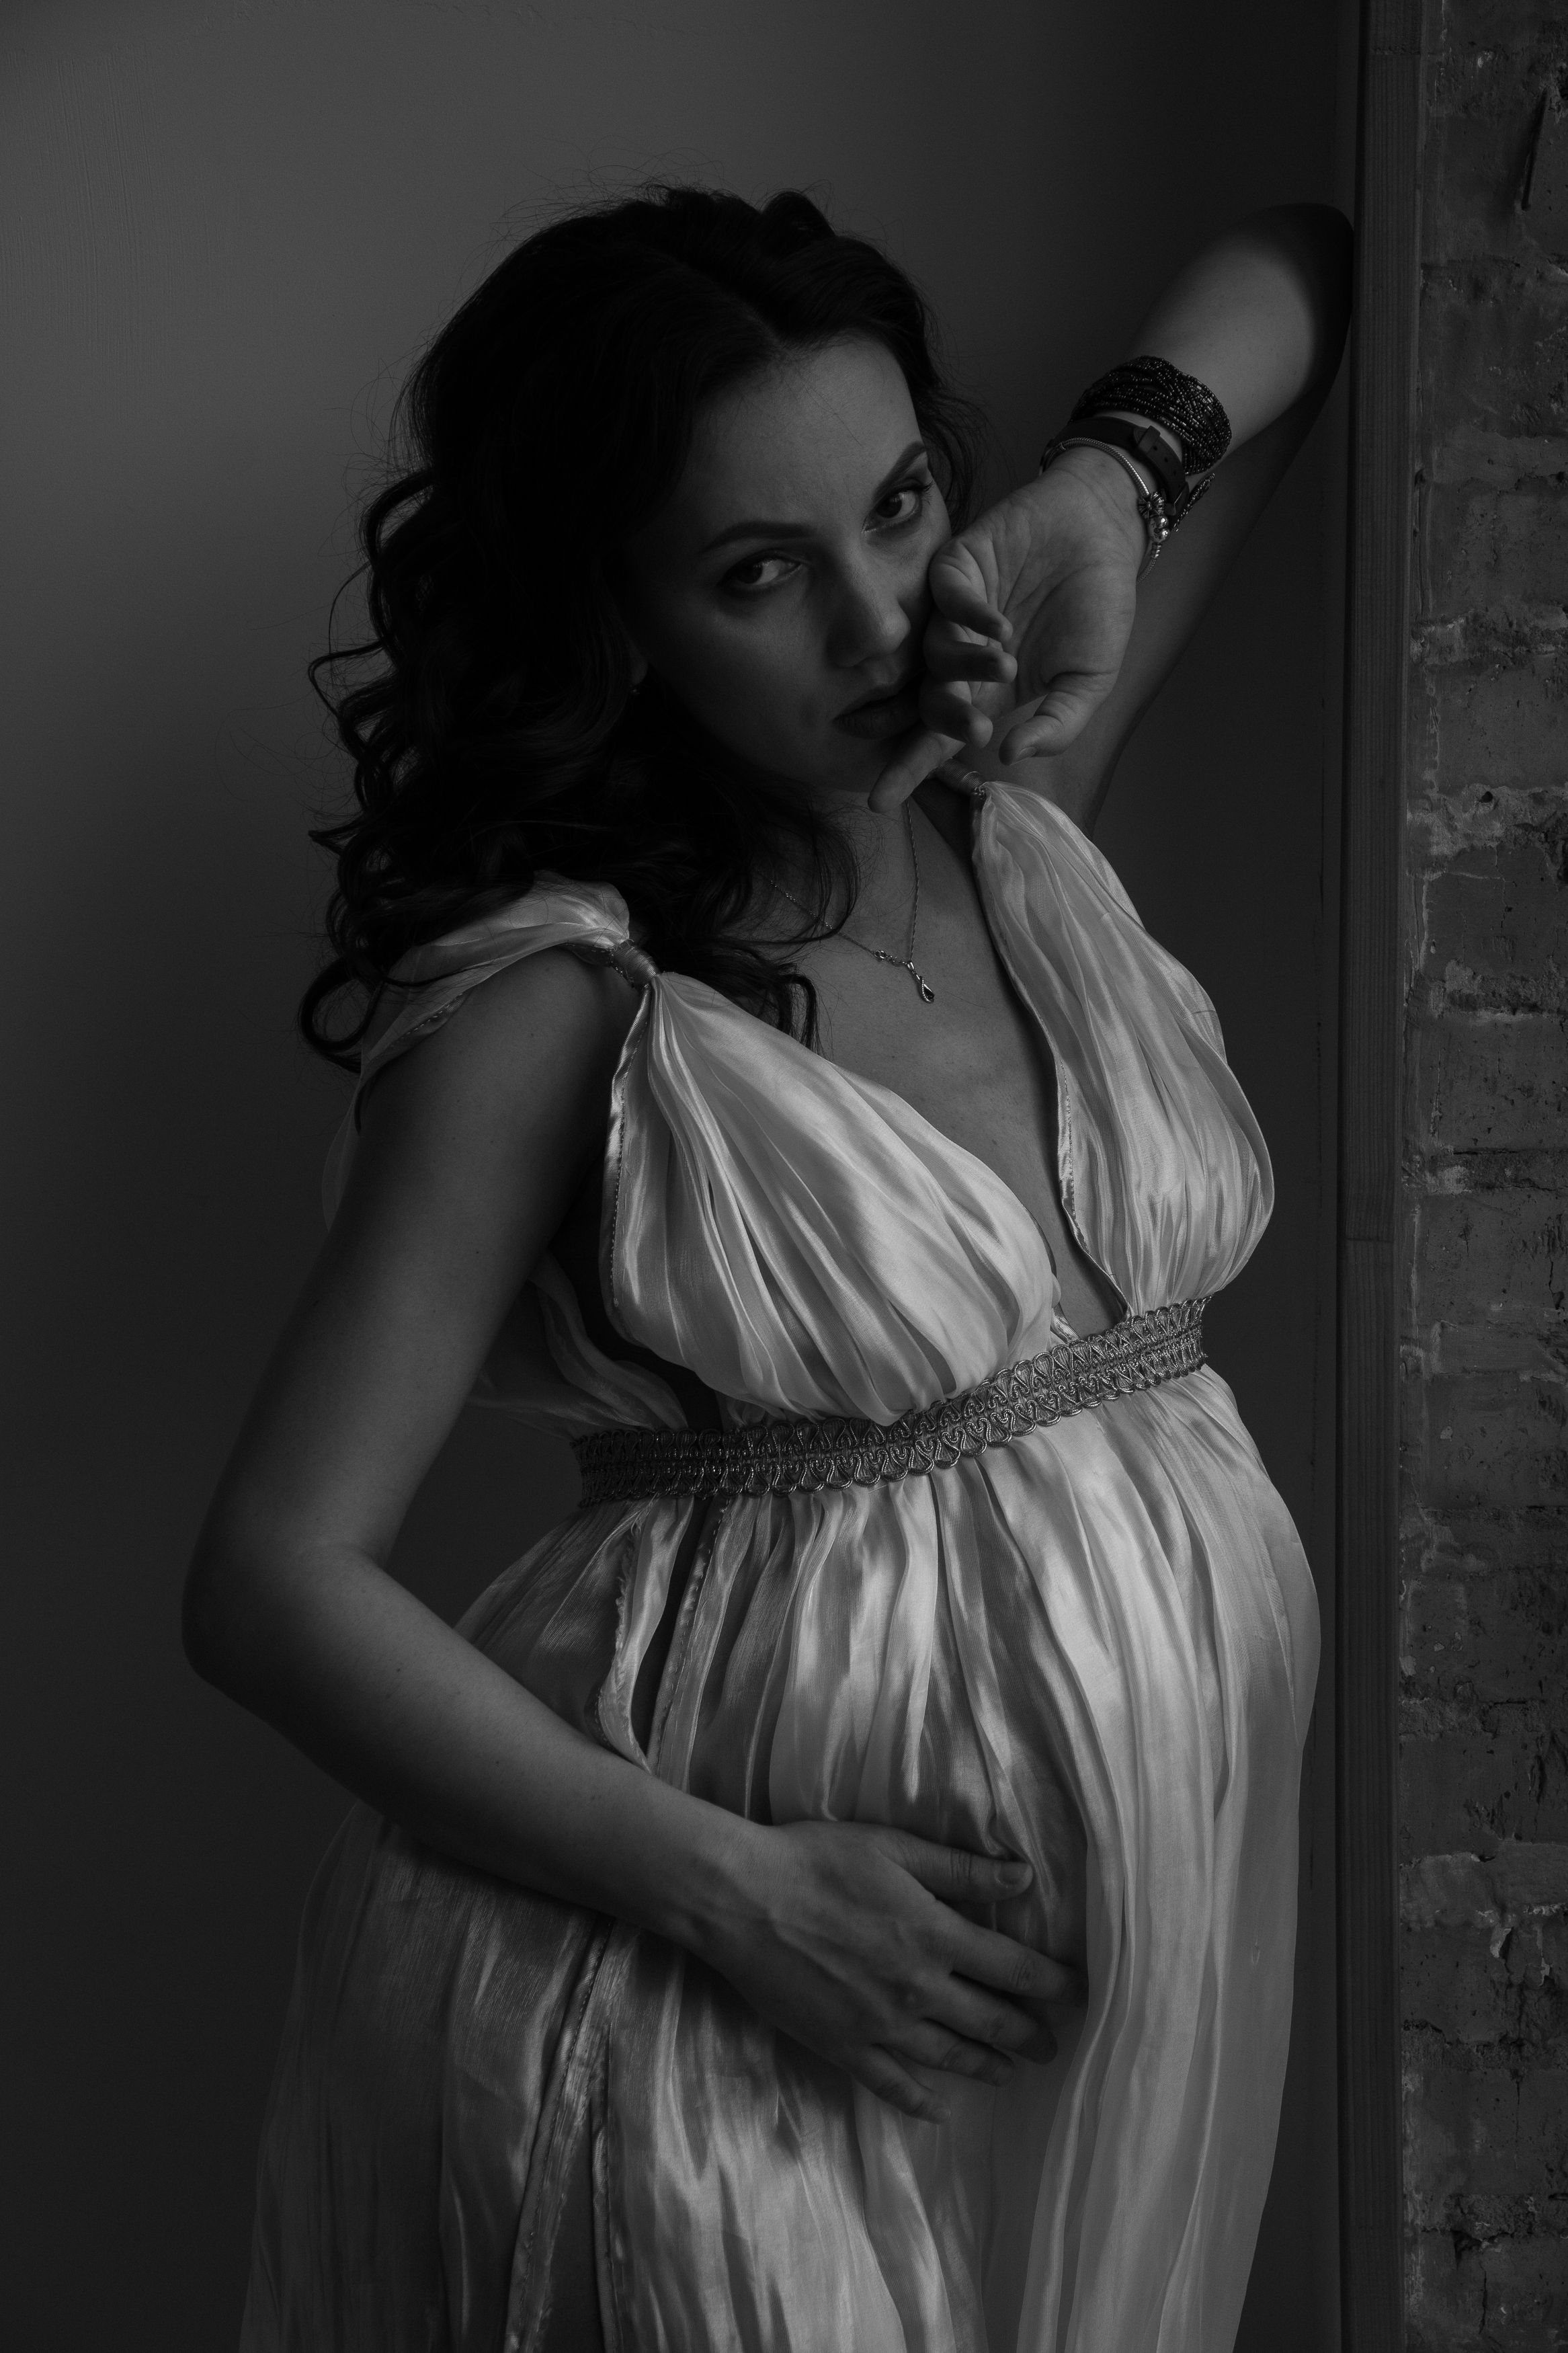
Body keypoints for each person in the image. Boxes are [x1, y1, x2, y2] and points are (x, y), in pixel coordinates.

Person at [185, 183, 1350, 2351]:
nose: (881, 619)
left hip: (1070, 2019)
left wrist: (1098, 487)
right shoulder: (566, 1005)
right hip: (690, 2014)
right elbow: (268, 1579)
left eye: (902, 503)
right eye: (758, 572)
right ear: (615, 620)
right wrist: (739, 1896)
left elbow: (1314, 267)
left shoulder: (1019, 804)